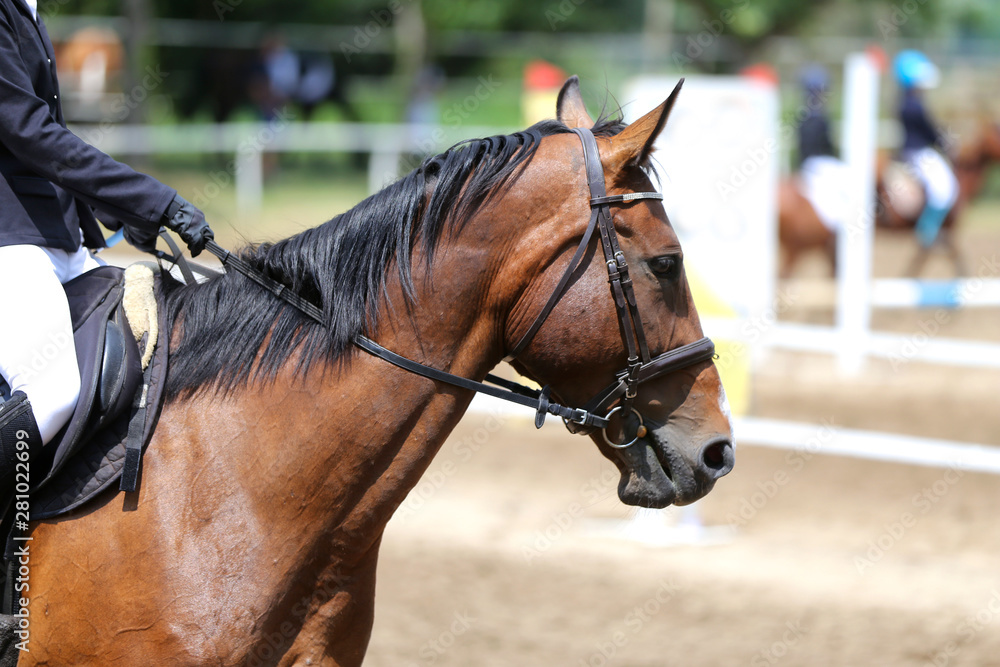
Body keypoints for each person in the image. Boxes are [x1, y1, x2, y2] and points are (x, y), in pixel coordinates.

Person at [0, 0, 213, 509]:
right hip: (10, 240)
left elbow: (46, 139)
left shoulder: (26, 9)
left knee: (166, 332)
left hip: (58, 239)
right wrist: (151, 200)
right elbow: (27, 132)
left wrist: (114, 211)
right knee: (53, 391)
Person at [893, 49, 958, 247]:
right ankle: (927, 229)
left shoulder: (905, 102)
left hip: (912, 151)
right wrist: (945, 143)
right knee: (945, 188)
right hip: (920, 153)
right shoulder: (915, 105)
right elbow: (929, 130)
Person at [796, 64, 852, 234]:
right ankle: (841, 225)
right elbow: (826, 147)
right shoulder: (818, 118)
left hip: (809, 163)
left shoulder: (803, 115)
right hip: (819, 164)